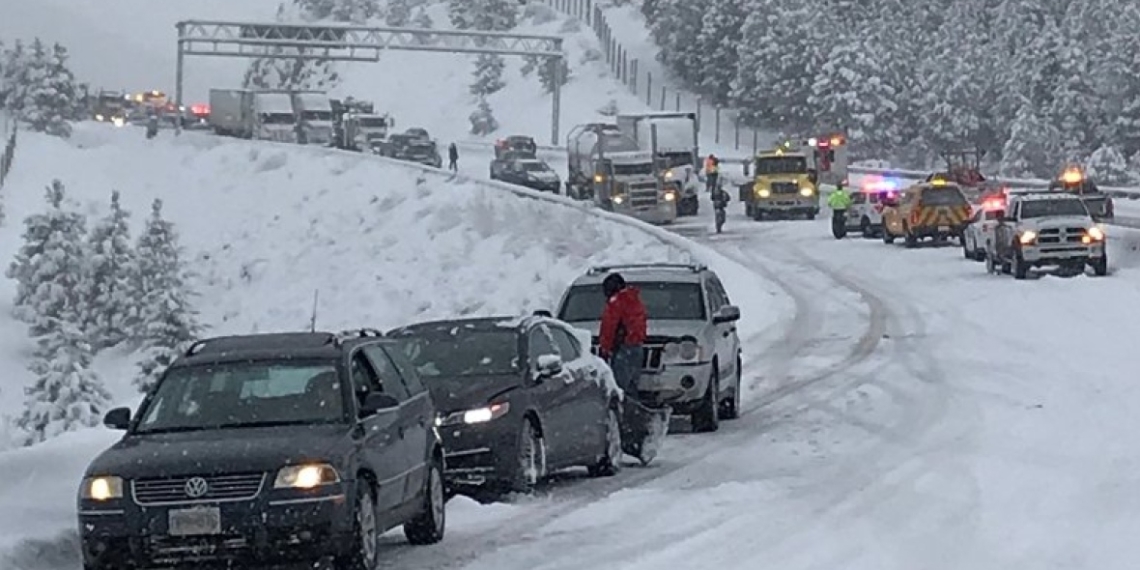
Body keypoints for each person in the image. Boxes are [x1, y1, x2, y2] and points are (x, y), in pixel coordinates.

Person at [597, 273, 647, 394]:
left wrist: (605, 348)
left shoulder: (616, 302)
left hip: (622, 348)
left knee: (619, 387)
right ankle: (633, 404)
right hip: (637, 347)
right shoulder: (635, 300)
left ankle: (621, 404)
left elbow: (609, 327)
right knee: (632, 385)